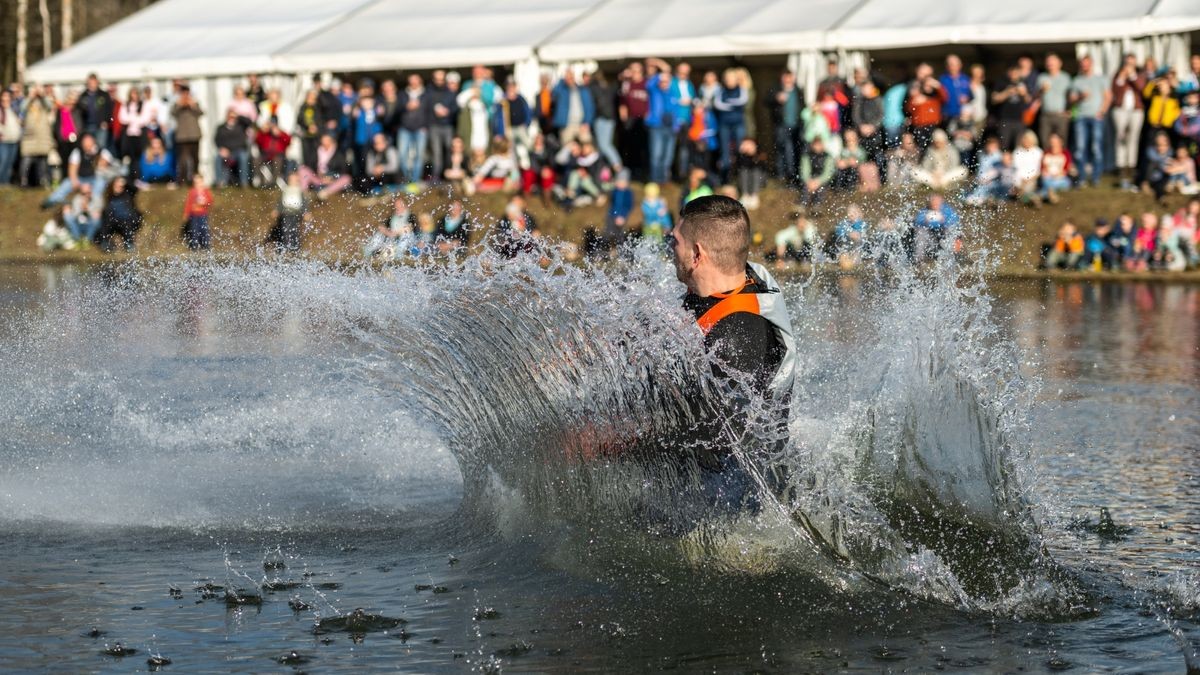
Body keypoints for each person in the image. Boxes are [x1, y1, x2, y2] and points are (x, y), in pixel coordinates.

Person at [668, 195, 796, 502]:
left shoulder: (737, 338)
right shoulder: (729, 281)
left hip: (731, 493)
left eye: (674, 242)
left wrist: (610, 445)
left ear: (697, 254)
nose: (670, 249)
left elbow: (718, 439)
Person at [1069, 56, 1111, 188]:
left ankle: (1096, 177)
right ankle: (1081, 178)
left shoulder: (1100, 79)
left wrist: (1102, 112)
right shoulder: (1077, 80)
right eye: (1082, 64)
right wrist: (1081, 97)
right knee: (1080, 149)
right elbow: (1071, 100)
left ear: (1091, 64)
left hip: (1096, 117)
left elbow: (1108, 96)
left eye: (1087, 64)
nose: (1085, 66)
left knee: (1096, 148)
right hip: (1081, 117)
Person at [1111, 53, 1147, 190]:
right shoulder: (1118, 74)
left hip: (1136, 110)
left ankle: (1131, 167)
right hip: (1121, 110)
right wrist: (1122, 76)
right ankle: (1120, 166)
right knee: (1121, 138)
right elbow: (1115, 90)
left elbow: (1141, 88)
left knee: (1133, 139)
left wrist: (1132, 75)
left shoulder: (1140, 74)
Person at [767, 70, 803, 181]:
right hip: (781, 125)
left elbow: (802, 105)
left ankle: (793, 174)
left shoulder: (798, 90)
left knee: (794, 149)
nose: (788, 80)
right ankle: (782, 174)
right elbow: (766, 100)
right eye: (785, 77)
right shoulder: (776, 89)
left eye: (790, 77)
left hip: (796, 126)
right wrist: (776, 98)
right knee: (781, 148)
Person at [18, 85, 54, 187]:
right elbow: (22, 108)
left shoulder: (44, 102)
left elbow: (50, 106)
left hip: (42, 136)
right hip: (30, 137)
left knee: (42, 161)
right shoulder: (28, 103)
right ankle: (23, 180)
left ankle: (42, 180)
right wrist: (30, 97)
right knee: (26, 160)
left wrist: (42, 96)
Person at [96, 176, 143, 252]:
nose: (119, 187)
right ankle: (106, 243)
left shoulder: (128, 194)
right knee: (105, 222)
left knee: (125, 223)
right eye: (116, 185)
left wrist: (126, 181)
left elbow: (135, 189)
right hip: (112, 222)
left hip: (127, 221)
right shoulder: (109, 196)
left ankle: (129, 244)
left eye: (121, 186)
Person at [267, 173, 310, 252]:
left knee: (294, 229)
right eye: (291, 180)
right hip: (286, 213)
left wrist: (306, 212)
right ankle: (286, 246)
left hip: (296, 213)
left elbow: (304, 203)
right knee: (286, 229)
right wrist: (277, 210)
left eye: (295, 180)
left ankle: (295, 248)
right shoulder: (285, 190)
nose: (293, 182)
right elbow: (280, 202)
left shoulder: (300, 191)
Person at [912, 193, 960, 263]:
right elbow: (917, 221)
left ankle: (951, 255)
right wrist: (926, 221)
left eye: (937, 202)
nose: (935, 204)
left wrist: (943, 220)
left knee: (951, 230)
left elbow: (954, 221)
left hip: (943, 231)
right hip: (929, 232)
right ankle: (918, 259)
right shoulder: (925, 210)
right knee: (920, 232)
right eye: (933, 202)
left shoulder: (947, 210)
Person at [171, 86, 204, 183]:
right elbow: (173, 113)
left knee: (195, 158)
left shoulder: (195, 103)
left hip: (194, 135)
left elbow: (201, 113)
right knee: (183, 159)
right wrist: (180, 105)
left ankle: (195, 179)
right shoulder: (177, 104)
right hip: (182, 136)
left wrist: (192, 105)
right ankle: (182, 179)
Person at [214, 110, 251, 188]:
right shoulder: (221, 127)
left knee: (243, 157)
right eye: (230, 116)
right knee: (217, 158)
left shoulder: (241, 126)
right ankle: (219, 182)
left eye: (233, 117)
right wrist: (221, 148)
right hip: (226, 151)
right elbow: (217, 140)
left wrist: (238, 116)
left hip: (239, 150)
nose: (232, 118)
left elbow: (249, 122)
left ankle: (244, 182)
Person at [798, 135, 834, 212]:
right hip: (810, 179)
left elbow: (828, 173)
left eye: (819, 144)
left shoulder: (828, 156)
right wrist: (808, 181)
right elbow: (804, 171)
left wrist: (818, 181)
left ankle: (817, 205)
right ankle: (802, 204)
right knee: (805, 188)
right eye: (815, 144)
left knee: (821, 189)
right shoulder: (807, 156)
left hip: (822, 180)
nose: (817, 147)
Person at [182, 174, 213, 250]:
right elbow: (188, 203)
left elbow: (210, 201)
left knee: (204, 231)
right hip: (194, 215)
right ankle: (194, 246)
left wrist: (205, 202)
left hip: (203, 215)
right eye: (196, 183)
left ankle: (205, 246)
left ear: (202, 182)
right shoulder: (192, 192)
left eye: (199, 182)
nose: (198, 184)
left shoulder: (206, 191)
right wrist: (186, 213)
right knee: (194, 231)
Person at [0, 90, 20, 185]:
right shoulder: (1, 110)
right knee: (3, 163)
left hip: (14, 141)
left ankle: (6, 183)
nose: (6, 98)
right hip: (3, 141)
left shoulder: (13, 110)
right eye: (4, 96)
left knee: (9, 164)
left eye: (8, 97)